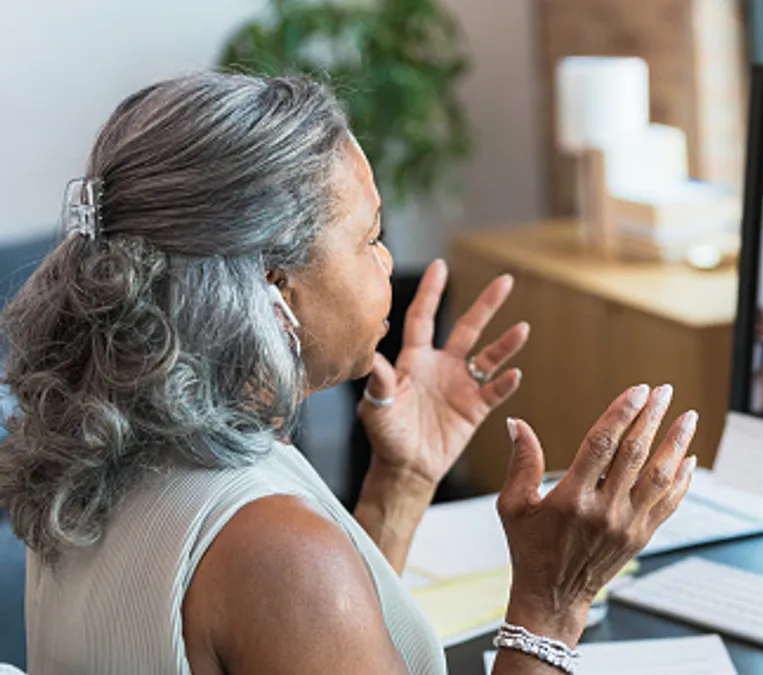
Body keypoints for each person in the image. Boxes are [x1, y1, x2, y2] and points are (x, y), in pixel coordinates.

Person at [0, 72, 699, 675]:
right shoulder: (270, 544)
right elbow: (291, 591)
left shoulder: (101, 463)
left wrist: (401, 484)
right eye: (368, 238)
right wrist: (551, 604)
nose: (387, 262)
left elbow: (296, 640)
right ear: (274, 285)